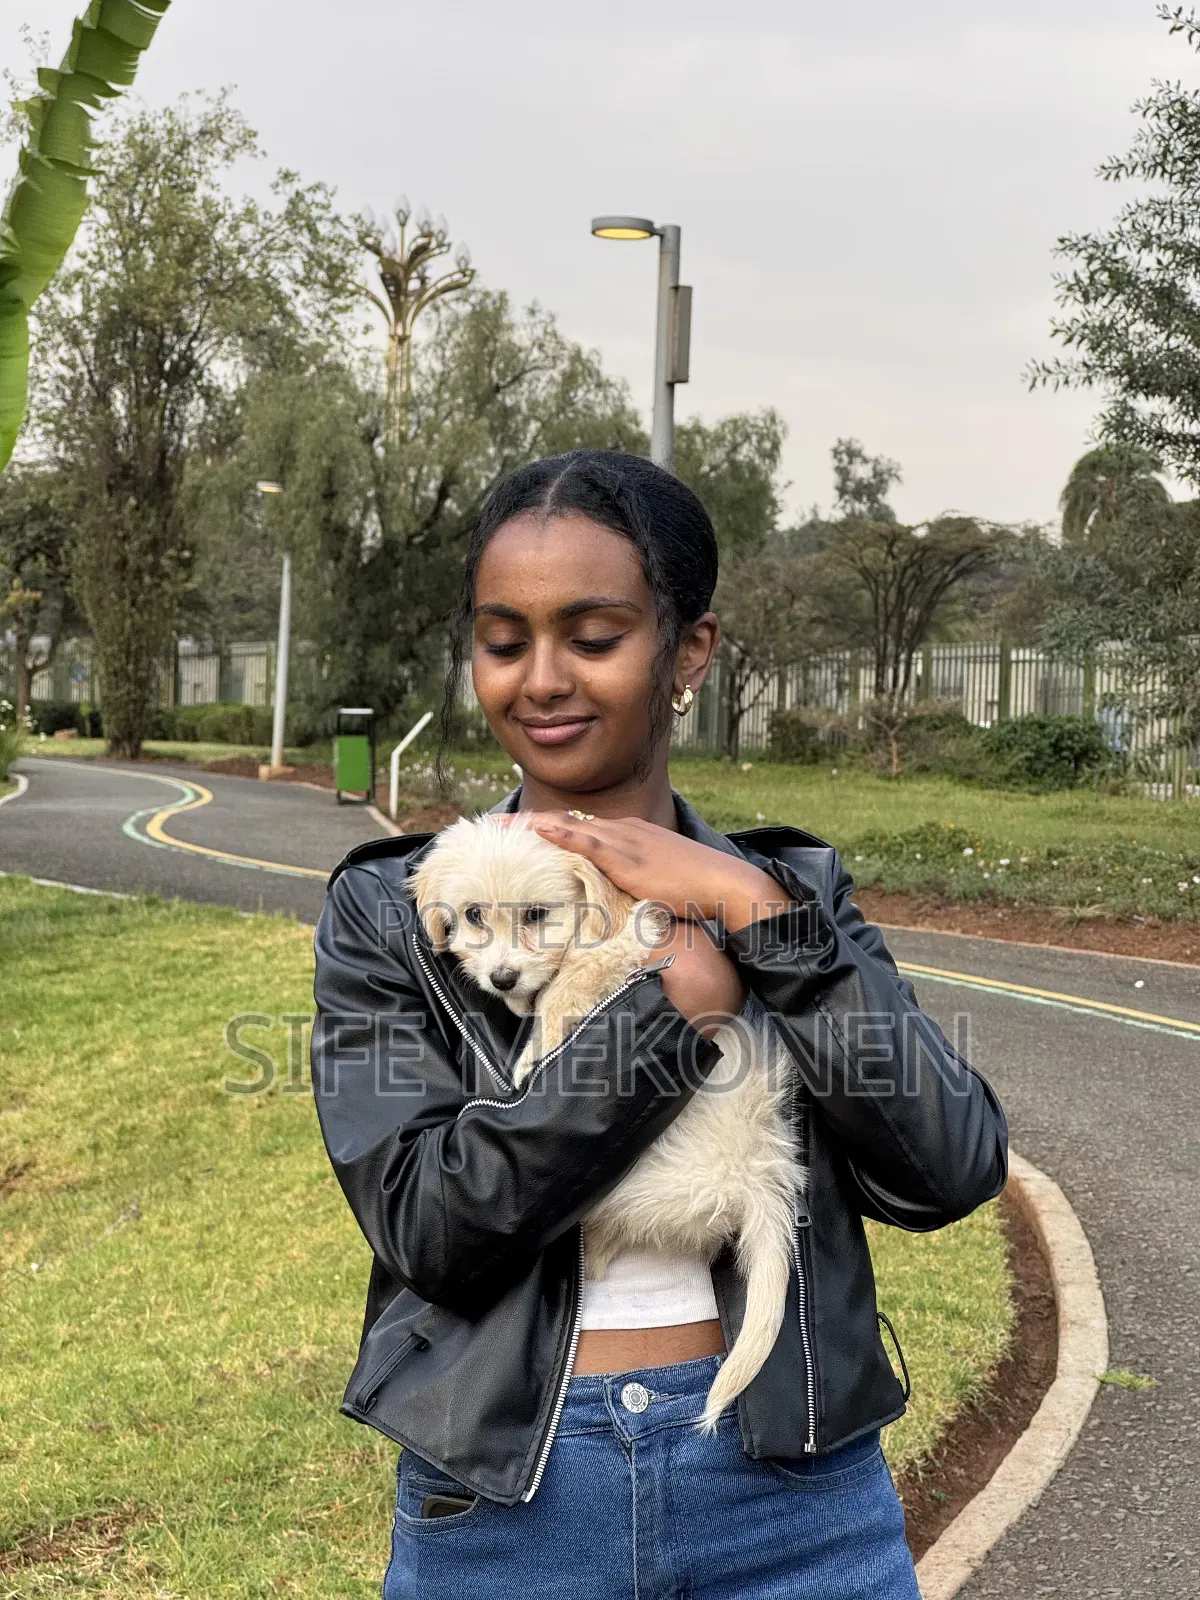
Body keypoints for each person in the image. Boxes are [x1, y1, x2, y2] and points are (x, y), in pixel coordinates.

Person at [311, 450, 1008, 1599]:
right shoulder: (395, 909)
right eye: (503, 641)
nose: (542, 679)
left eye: (592, 637)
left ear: (689, 650)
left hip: (796, 1506)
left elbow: (947, 1166)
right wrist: (673, 1009)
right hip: (508, 1514)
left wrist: (758, 918)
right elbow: (431, 1225)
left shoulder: (793, 893)